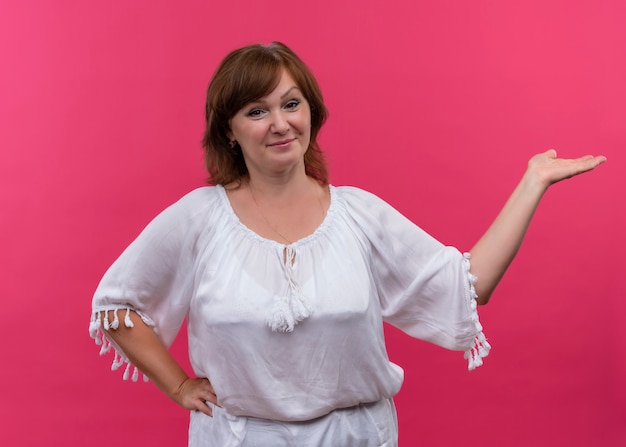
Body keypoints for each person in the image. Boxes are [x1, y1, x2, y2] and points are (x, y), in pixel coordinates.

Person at [89, 42, 606, 446]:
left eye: (291, 104)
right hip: (239, 438)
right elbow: (117, 305)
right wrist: (179, 386)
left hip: (358, 437)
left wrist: (532, 182)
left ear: (310, 114)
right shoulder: (198, 220)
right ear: (229, 131)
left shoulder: (359, 214)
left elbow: (468, 285)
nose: (279, 123)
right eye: (256, 110)